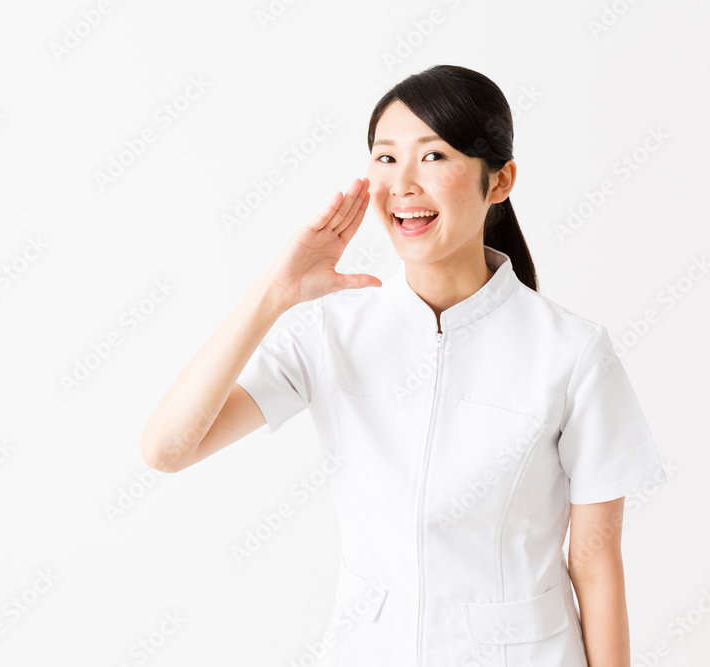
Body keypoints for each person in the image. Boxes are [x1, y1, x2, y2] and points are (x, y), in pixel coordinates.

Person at [139, 64, 667, 666]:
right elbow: (167, 449)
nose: (404, 184)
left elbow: (595, 561)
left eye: (434, 156)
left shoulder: (570, 352)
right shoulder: (332, 333)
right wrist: (275, 293)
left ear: (499, 181)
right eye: (385, 158)